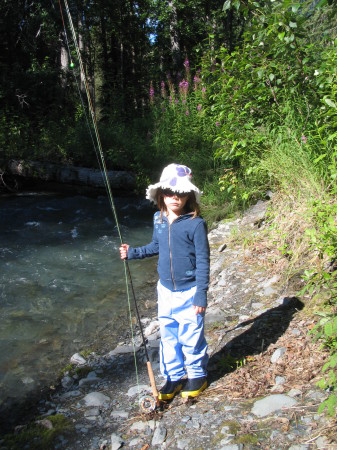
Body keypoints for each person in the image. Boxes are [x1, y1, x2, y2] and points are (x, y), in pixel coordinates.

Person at [119, 163, 210, 400]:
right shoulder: (158, 219)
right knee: (168, 336)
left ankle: (197, 375)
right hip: (165, 291)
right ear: (161, 194)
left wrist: (201, 294)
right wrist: (133, 252)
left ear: (188, 195)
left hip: (190, 292)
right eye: (169, 193)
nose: (175, 198)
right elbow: (155, 246)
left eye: (180, 193)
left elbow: (203, 261)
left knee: (191, 336)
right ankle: (173, 377)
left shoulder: (195, 223)